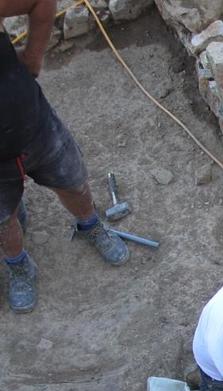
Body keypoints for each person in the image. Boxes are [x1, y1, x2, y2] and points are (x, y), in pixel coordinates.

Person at [1, 0, 129, 314]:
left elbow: (41, 2)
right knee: (4, 220)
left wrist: (32, 59)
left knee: (72, 182)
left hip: (32, 123)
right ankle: (18, 265)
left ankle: (90, 225)